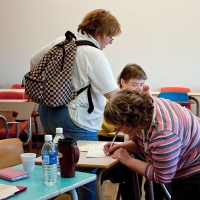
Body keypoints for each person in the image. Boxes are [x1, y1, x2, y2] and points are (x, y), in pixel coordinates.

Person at [30, 9, 121, 200]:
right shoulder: (93, 54)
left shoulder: (60, 42)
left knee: (60, 170)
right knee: (85, 175)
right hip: (75, 118)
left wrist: (56, 90)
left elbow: (33, 64)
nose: (111, 41)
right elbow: (112, 94)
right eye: (110, 36)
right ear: (100, 32)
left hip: (47, 112)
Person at [103, 89, 200, 200]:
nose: (117, 130)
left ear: (131, 121)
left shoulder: (164, 133)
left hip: (194, 170)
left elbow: (162, 176)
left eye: (118, 127)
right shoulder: (145, 109)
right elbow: (144, 144)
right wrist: (122, 146)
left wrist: (128, 160)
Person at [98, 63, 149, 142]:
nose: (139, 88)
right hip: (106, 138)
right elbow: (110, 127)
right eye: (135, 84)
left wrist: (148, 97)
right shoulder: (111, 100)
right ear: (122, 82)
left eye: (142, 84)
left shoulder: (139, 100)